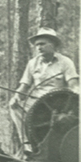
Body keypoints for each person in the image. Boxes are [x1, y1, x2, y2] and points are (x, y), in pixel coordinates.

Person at [9, 27, 79, 155]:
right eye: (36, 45)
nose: (38, 48)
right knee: (14, 106)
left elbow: (74, 85)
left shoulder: (65, 62)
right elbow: (24, 86)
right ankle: (27, 146)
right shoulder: (32, 63)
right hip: (36, 103)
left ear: (52, 45)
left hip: (57, 104)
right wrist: (16, 97)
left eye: (42, 44)